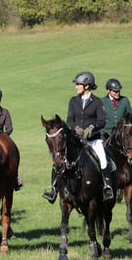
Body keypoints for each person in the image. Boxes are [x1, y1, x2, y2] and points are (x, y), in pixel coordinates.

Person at [43, 71, 114, 203]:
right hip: (77, 139)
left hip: (93, 140)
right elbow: (70, 119)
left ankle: (107, 186)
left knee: (103, 159)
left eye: (78, 84)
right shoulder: (73, 101)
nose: (76, 87)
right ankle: (53, 188)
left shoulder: (97, 102)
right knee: (59, 159)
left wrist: (91, 128)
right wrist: (75, 128)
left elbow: (102, 121)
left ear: (87, 86)